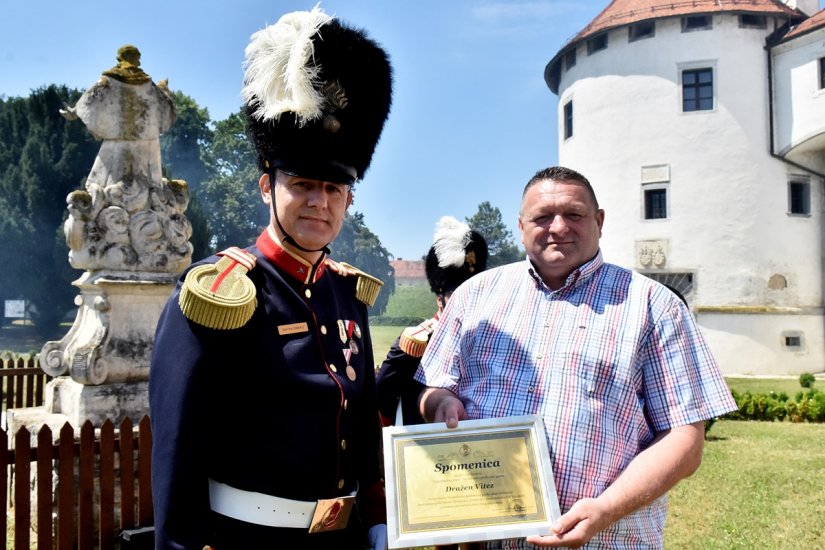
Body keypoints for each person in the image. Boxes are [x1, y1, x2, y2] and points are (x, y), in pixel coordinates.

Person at [149, 7, 393, 549]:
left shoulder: (347, 293)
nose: (318, 201)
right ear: (267, 186)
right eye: (303, 183)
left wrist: (375, 520)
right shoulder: (219, 292)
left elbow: (361, 428)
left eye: (335, 190)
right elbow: (177, 448)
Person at [416, 166, 737, 549]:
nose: (558, 227)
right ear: (521, 226)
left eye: (573, 214)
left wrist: (606, 508)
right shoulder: (474, 296)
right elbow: (435, 386)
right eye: (542, 217)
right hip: (483, 541)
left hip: (607, 538)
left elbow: (685, 439)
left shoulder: (654, 306)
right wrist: (441, 402)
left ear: (599, 221)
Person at [375, 216, 488, 426]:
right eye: (457, 295)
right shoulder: (415, 343)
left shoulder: (490, 336)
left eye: (474, 293)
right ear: (439, 299)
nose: (467, 301)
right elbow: (382, 397)